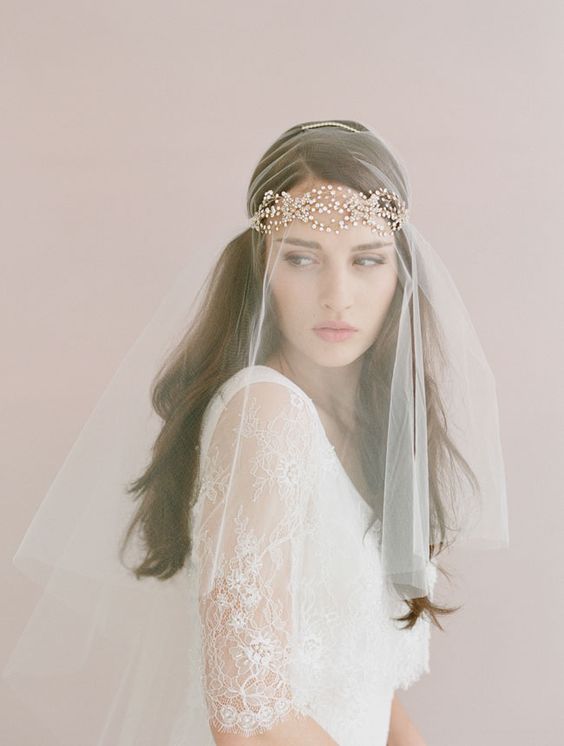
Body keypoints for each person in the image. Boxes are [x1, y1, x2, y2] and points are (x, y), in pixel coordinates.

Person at [2, 120, 509, 746]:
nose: (338, 296)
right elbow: (249, 717)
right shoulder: (267, 415)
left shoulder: (367, 426)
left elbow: (367, 683)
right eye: (302, 258)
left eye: (366, 260)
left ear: (399, 272)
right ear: (261, 267)